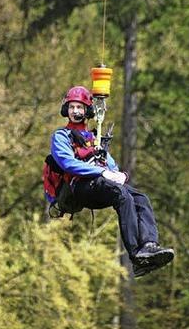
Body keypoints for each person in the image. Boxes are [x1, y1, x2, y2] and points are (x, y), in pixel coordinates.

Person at [50, 85, 174, 277]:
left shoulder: (94, 137)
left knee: (141, 198)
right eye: (72, 107)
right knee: (122, 195)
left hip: (100, 185)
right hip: (80, 187)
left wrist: (116, 173)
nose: (76, 111)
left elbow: (108, 162)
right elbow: (68, 163)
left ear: (86, 110)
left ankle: (149, 244)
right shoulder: (61, 136)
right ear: (67, 109)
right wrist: (102, 173)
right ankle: (136, 255)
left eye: (80, 107)